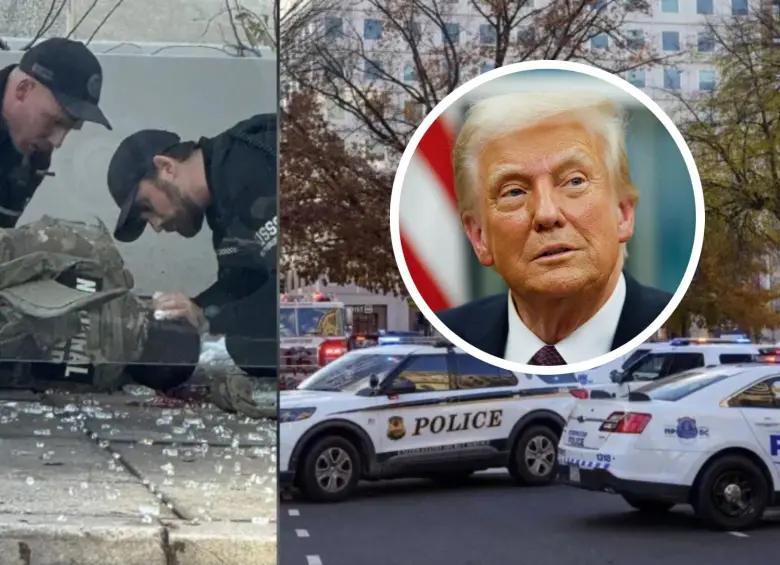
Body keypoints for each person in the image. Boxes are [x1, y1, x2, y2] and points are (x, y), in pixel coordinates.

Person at [437, 91, 672, 366]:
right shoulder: (447, 340)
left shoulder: (670, 327)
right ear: (479, 237)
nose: (547, 214)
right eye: (514, 192)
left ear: (623, 213)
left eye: (574, 181)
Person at [105, 114, 277, 417]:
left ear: (167, 167)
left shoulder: (251, 166)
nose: (156, 225)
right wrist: (192, 311)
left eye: (147, 208)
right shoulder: (223, 193)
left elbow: (293, 290)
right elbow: (245, 283)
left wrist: (209, 317)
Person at [0, 37, 111, 228]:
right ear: (23, 90)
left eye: (69, 128)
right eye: (54, 121)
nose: (57, 141)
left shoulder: (36, 153)